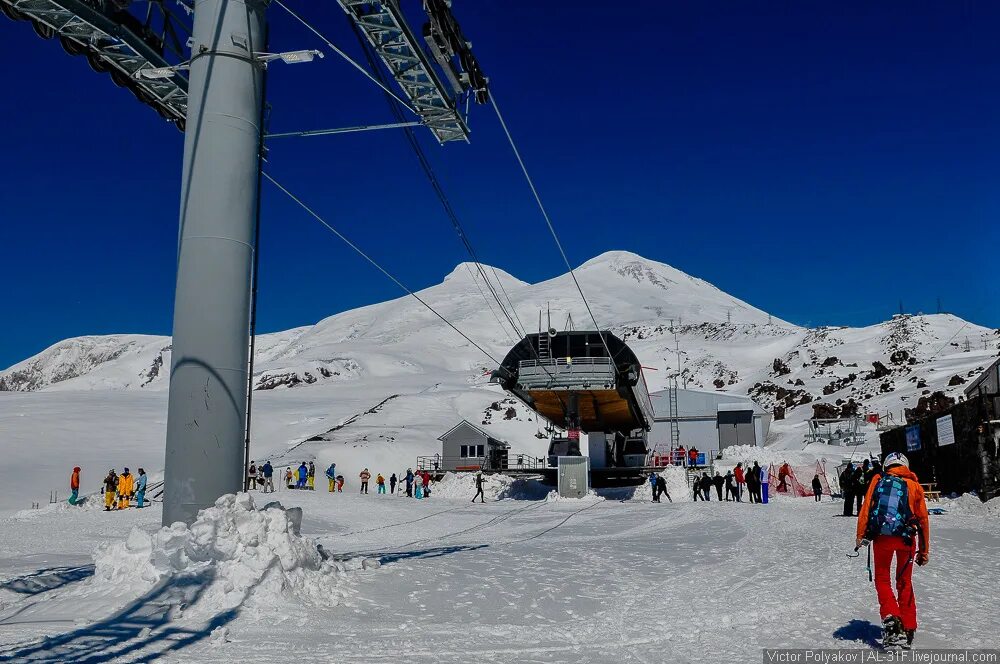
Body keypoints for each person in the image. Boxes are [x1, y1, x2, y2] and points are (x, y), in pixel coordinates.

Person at [855, 452, 930, 649]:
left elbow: (866, 509)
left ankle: (891, 617)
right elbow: (923, 520)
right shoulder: (914, 485)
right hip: (907, 539)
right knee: (904, 581)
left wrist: (861, 535)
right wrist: (924, 551)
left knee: (882, 578)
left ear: (887, 465)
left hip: (882, 538)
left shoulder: (879, 480)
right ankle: (908, 626)